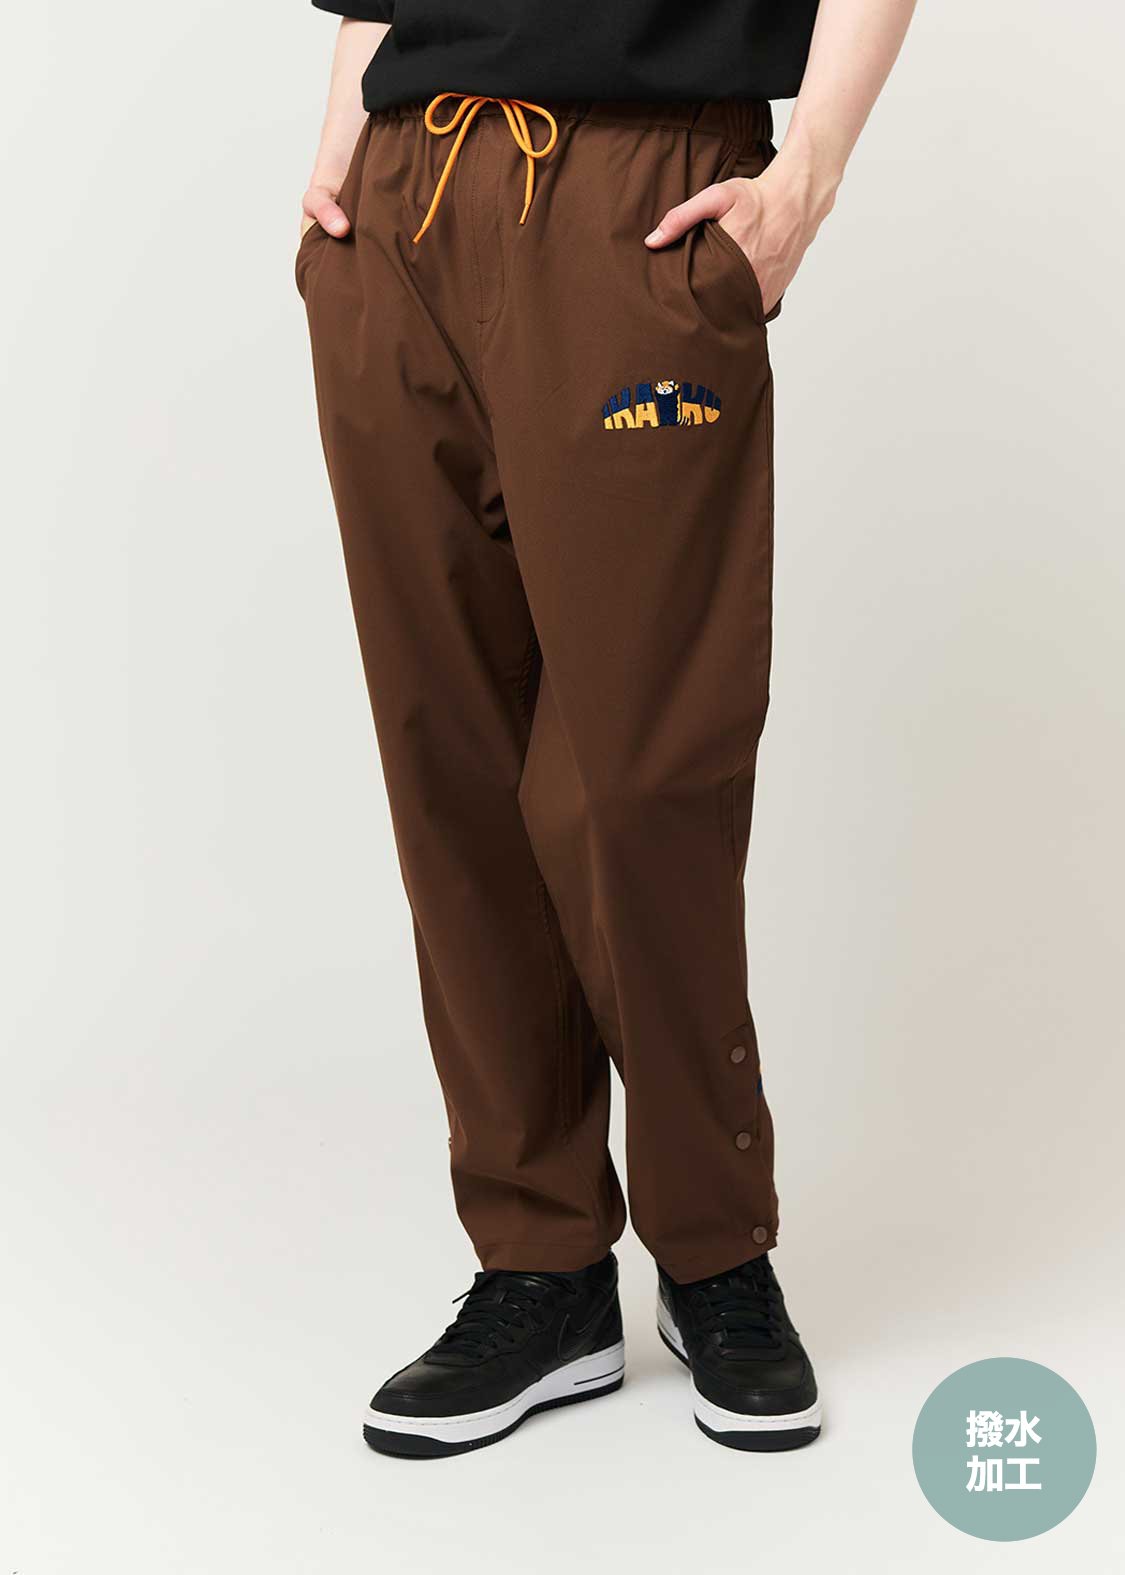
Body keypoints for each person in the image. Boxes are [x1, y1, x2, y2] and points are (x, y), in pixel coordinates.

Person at [298, 0, 917, 1459]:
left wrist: (809, 173)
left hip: (640, 196)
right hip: (402, 188)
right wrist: (338, 149)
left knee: (637, 774)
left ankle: (713, 1248)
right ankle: (541, 1263)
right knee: (448, 758)